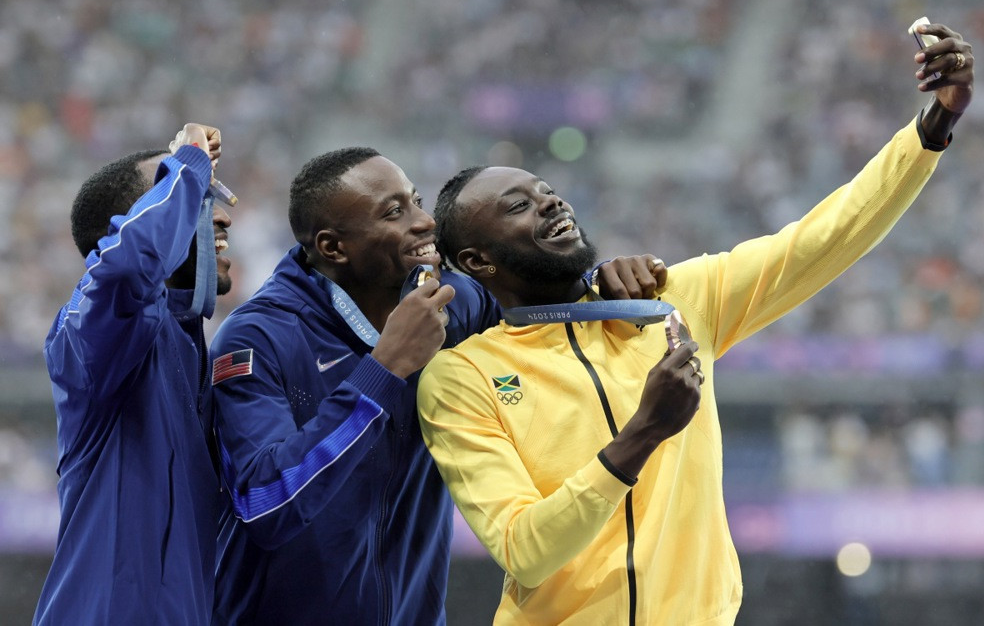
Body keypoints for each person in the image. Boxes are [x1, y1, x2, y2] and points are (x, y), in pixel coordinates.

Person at [416, 24, 974, 625]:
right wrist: (644, 434)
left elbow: (823, 239)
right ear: (477, 261)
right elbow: (524, 550)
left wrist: (934, 126)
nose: (552, 202)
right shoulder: (462, 378)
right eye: (518, 206)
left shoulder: (671, 301)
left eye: (547, 191)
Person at [208, 147, 663, 624]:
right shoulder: (258, 338)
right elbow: (263, 504)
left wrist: (598, 281)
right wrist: (382, 370)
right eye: (394, 212)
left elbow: (541, 309)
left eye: (417, 201)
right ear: (333, 247)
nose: (425, 222)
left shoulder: (458, 302)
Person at [34, 123, 235, 625]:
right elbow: (126, 270)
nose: (223, 216)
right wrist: (187, 166)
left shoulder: (189, 347)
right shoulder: (86, 334)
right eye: (200, 201)